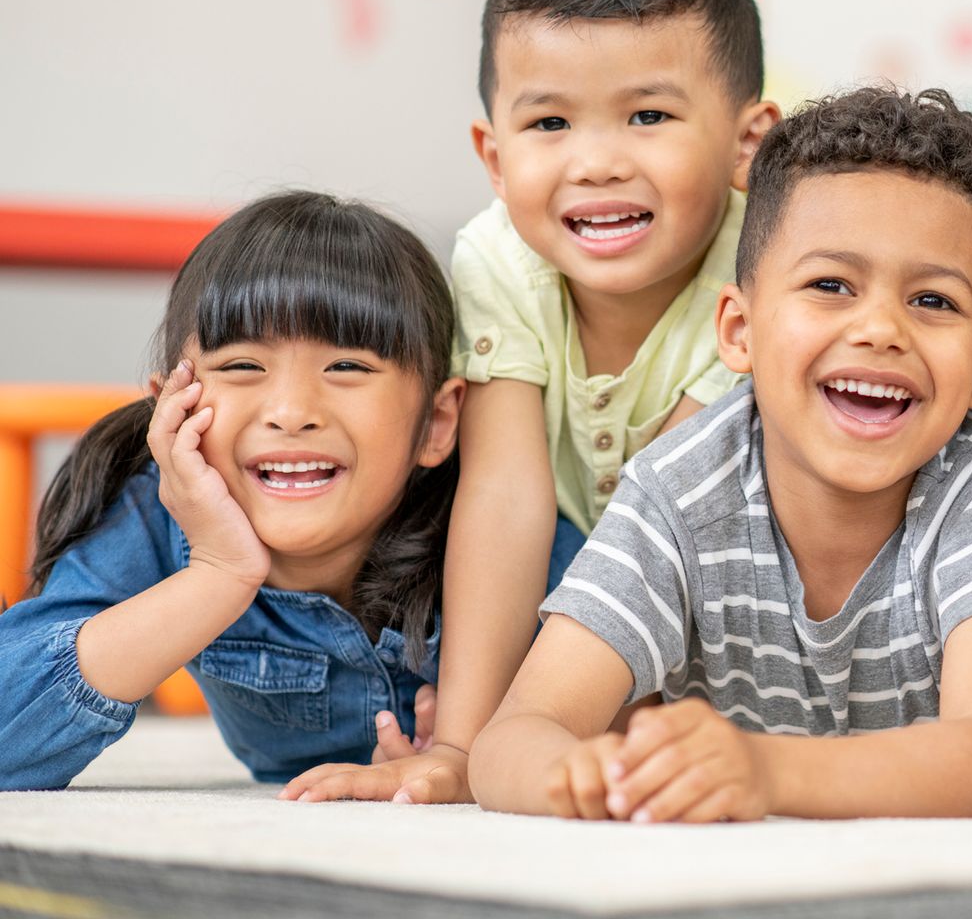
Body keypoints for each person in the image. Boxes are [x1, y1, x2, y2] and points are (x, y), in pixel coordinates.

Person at [468, 87, 972, 822]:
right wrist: (593, 774)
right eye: (830, 285)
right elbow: (511, 740)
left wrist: (760, 769)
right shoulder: (678, 489)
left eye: (933, 301)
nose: (881, 328)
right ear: (739, 331)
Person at [286, 0, 780, 804]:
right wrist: (468, 746)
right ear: (495, 154)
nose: (595, 163)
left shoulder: (763, 264)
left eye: (648, 116)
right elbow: (506, 495)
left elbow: (667, 511)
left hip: (719, 567)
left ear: (748, 142)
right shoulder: (498, 257)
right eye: (550, 125)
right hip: (561, 566)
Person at [0, 192, 577, 789]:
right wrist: (219, 572)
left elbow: (635, 700)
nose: (292, 411)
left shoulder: (504, 533)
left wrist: (489, 737)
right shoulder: (153, 513)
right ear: (167, 408)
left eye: (348, 367)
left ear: (436, 423)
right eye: (242, 366)